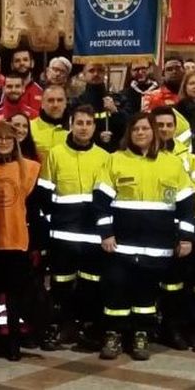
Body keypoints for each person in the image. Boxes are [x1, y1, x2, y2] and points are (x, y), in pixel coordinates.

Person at [94, 113, 194, 361]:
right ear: (129, 133)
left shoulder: (172, 164)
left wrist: (185, 238)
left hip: (157, 246)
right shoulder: (115, 160)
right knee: (116, 289)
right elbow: (100, 203)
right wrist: (106, 233)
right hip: (120, 246)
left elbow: (187, 206)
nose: (140, 133)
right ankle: (114, 334)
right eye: (136, 129)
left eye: (145, 129)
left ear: (154, 132)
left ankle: (141, 334)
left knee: (146, 293)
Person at [38, 105, 108, 351]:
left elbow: (107, 197)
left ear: (94, 126)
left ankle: (86, 328)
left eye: (88, 123)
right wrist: (49, 225)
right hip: (62, 233)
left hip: (92, 234)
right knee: (61, 283)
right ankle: (59, 326)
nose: (84, 128)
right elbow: (45, 193)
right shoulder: (55, 154)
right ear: (71, 124)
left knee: (91, 283)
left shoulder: (104, 157)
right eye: (79, 123)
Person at [0, 121, 43, 360]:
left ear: (15, 141)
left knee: (14, 295)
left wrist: (37, 243)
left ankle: (13, 342)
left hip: (17, 240)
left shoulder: (28, 168)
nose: (3, 142)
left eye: (7, 138)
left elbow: (35, 209)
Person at [151, 107, 195, 349]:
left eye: (169, 125)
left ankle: (176, 326)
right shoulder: (142, 152)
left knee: (178, 282)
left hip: (179, 227)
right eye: (160, 125)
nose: (165, 129)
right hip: (151, 226)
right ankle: (154, 326)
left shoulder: (186, 156)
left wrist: (186, 233)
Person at [71, 64, 128, 153]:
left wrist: (115, 111)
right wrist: (98, 136)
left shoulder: (118, 99)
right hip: (85, 152)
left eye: (100, 70)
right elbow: (74, 130)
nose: (96, 74)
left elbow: (126, 127)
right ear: (84, 74)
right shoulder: (77, 102)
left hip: (112, 152)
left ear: (105, 73)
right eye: (91, 70)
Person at [30, 85, 69, 163]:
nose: (55, 105)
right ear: (42, 104)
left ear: (65, 103)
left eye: (60, 100)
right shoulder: (29, 128)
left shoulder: (75, 129)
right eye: (50, 100)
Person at [9, 48, 43, 112]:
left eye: (25, 60)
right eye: (17, 61)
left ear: (32, 63)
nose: (22, 63)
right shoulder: (4, 91)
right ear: (12, 66)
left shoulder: (42, 91)